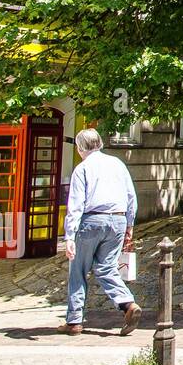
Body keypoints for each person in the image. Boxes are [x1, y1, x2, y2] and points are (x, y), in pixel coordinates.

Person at [59, 128, 142, 336]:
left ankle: (74, 321)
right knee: (107, 268)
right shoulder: (117, 164)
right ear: (100, 144)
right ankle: (127, 304)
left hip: (91, 220)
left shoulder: (82, 168)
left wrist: (69, 236)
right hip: (118, 220)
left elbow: (76, 204)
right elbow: (131, 196)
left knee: (78, 270)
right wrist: (129, 225)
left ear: (79, 148)